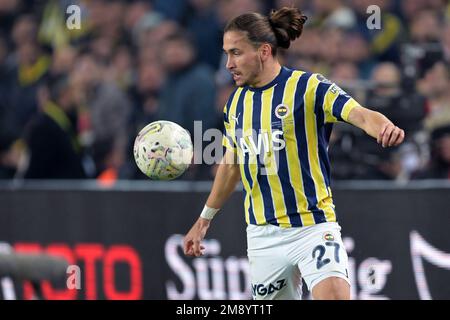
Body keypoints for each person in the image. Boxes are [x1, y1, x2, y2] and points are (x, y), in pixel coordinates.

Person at [183, 7, 405, 300]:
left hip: (313, 226)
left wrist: (383, 126)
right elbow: (231, 164)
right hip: (263, 236)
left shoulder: (308, 87)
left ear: (263, 51)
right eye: (226, 53)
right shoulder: (235, 104)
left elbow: (360, 115)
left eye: (235, 53)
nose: (228, 64)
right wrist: (204, 220)